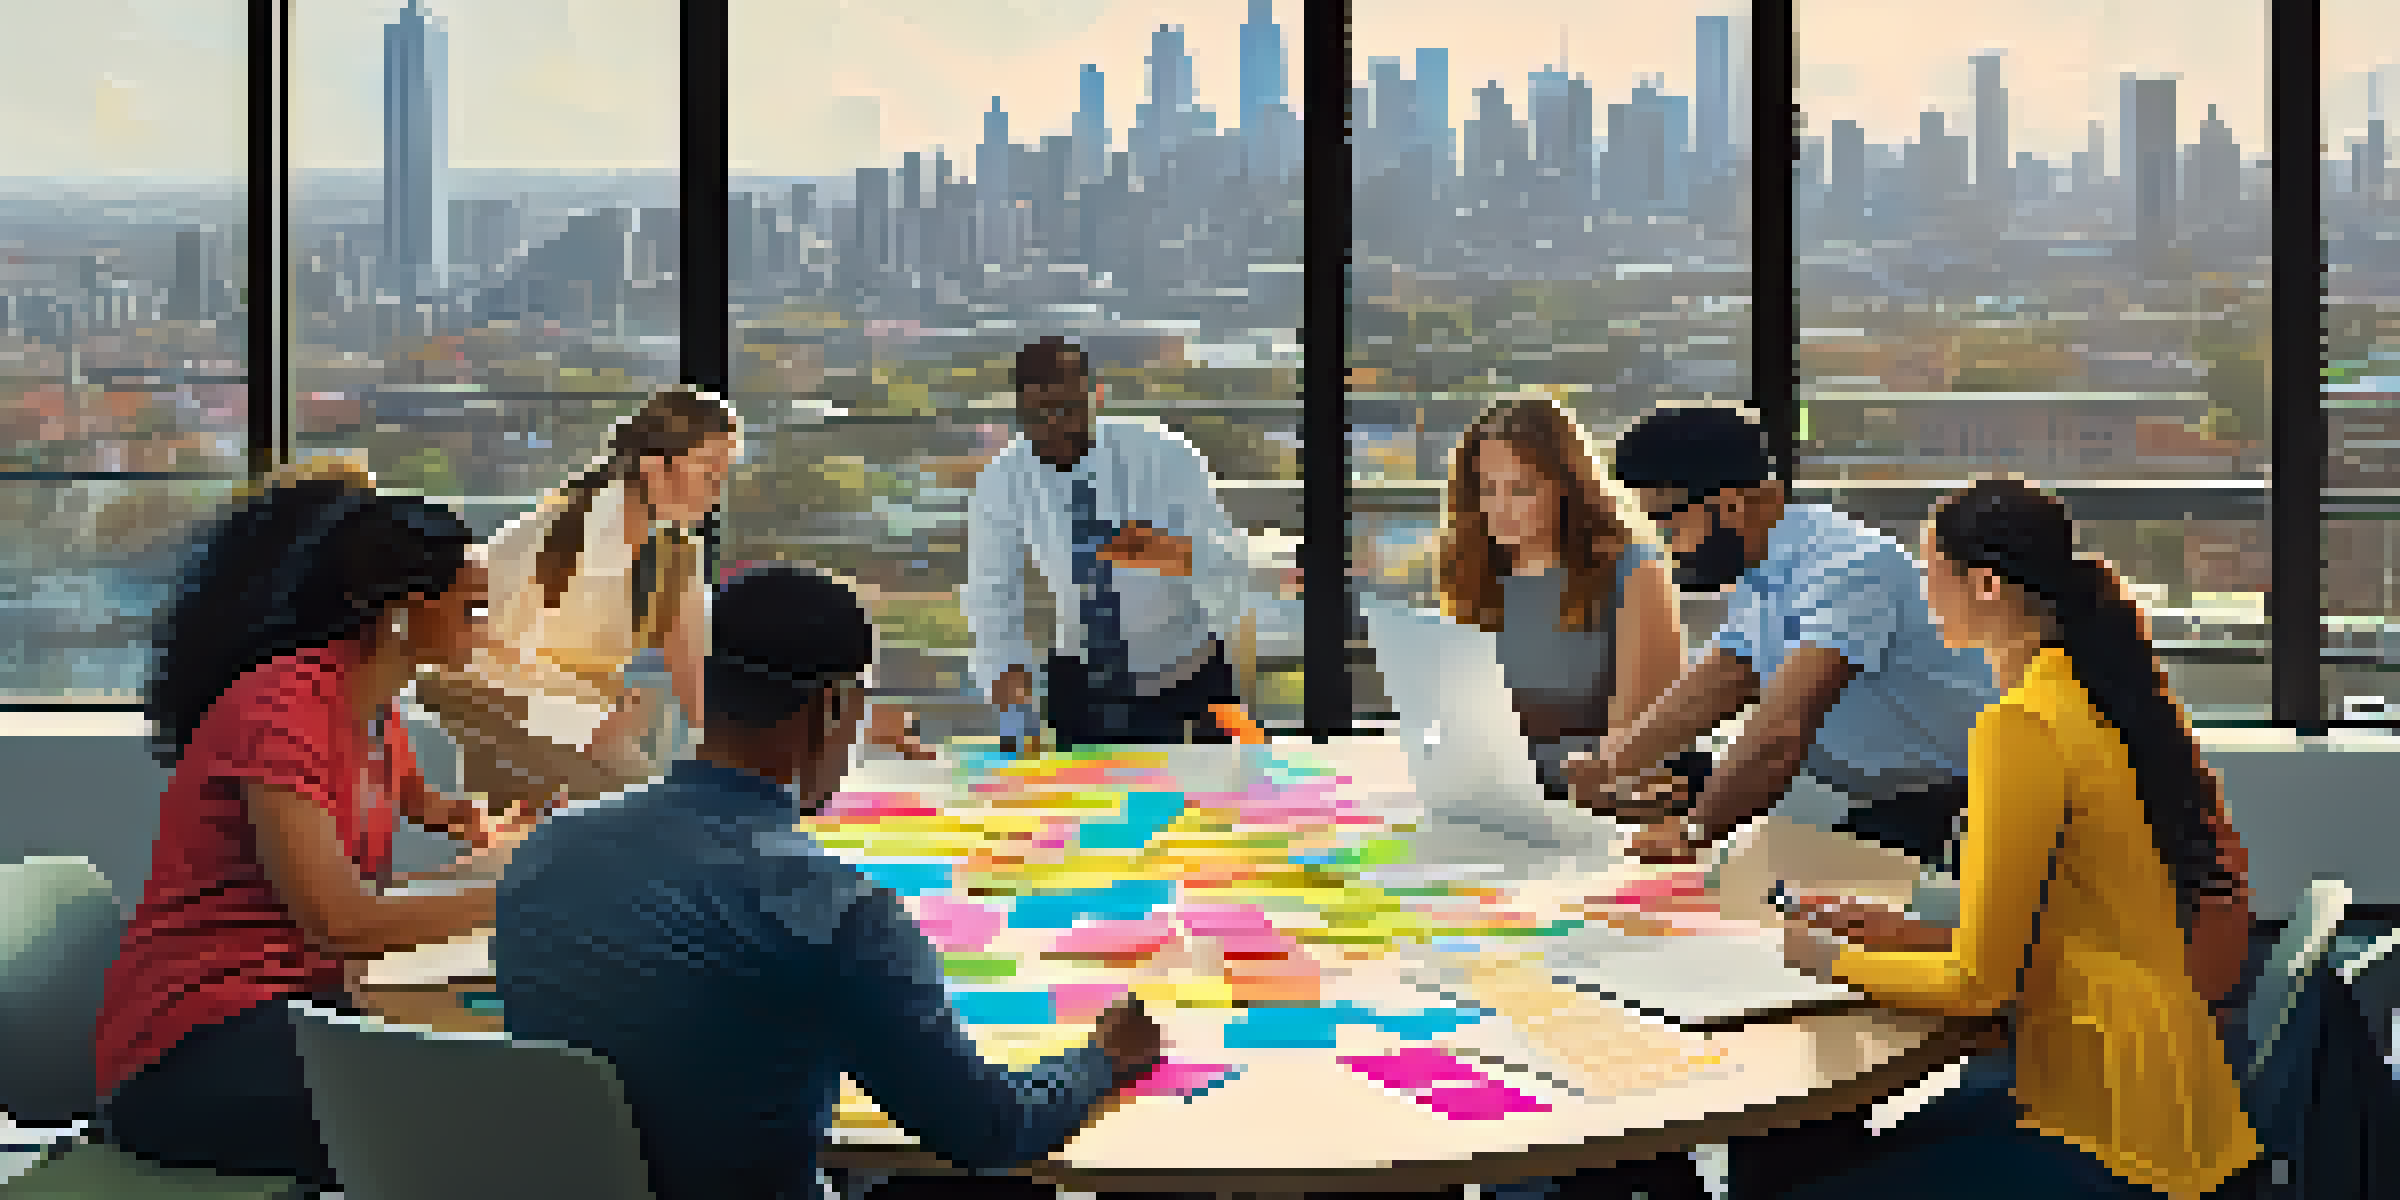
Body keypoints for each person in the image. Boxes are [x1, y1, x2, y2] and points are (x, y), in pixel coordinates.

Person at [494, 564, 1165, 1200]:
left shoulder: (547, 851)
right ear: (833, 707)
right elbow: (989, 1130)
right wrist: (1101, 1058)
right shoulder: (836, 913)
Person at [1770, 477, 2261, 1200]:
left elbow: (1980, 986)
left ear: (1987, 585)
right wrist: (1900, 936)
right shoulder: (2085, 691)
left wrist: (1827, 958)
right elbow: (2072, 931)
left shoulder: (2022, 725)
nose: (1923, 589)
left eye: (1931, 568)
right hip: (2165, 1092)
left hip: (2105, 1125)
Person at [92, 479, 531, 1189]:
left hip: (300, 1003)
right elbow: (341, 920)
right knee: (483, 1119)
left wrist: (490, 841)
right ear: (401, 617)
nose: (486, 628)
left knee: (502, 1092)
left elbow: (421, 828)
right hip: (195, 1047)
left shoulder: (373, 710)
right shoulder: (282, 705)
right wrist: (518, 884)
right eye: (471, 610)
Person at [413, 387, 932, 822]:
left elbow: (705, 691)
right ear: (656, 469)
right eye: (709, 472)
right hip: (502, 731)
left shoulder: (674, 555)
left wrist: (842, 722)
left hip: (588, 733)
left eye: (722, 476)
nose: (716, 491)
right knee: (653, 819)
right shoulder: (549, 539)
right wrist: (588, 722)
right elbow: (467, 669)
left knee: (672, 813)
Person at [1568, 405, 1998, 868]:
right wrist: (1612, 763)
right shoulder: (1762, 568)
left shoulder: (1848, 567)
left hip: (1959, 802)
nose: (1666, 545)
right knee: (1690, 787)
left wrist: (1694, 833)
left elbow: (1782, 731)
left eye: (1668, 524)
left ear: (1730, 504)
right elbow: (1718, 684)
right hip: (1876, 790)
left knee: (1763, 897)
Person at [966, 336, 1256, 750]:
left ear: (1095, 395)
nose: (1055, 426)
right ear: (1018, 412)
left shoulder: (1164, 453)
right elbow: (992, 596)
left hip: (1187, 679)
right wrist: (1012, 698)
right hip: (1081, 684)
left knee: (1204, 809)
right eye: (1037, 415)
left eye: (1068, 409)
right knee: (1082, 810)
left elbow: (1230, 563)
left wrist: (1173, 552)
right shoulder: (1003, 479)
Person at [1434, 391, 1687, 811]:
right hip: (1494, 798)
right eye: (1487, 489)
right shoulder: (1472, 573)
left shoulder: (1635, 572)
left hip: (1600, 806)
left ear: (1566, 487)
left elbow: (1636, 744)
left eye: (1521, 489)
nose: (1500, 509)